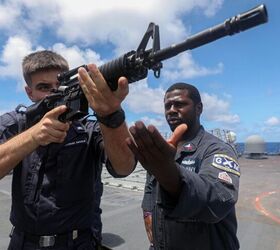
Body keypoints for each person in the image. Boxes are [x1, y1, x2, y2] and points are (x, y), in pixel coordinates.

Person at [0, 50, 136, 249]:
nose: (55, 92)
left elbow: (124, 167)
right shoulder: (17, 122)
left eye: (60, 85)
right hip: (22, 243)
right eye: (44, 87)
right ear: (30, 93)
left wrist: (111, 115)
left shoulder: (89, 128)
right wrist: (33, 136)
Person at [126, 82, 240, 250]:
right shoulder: (163, 151)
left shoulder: (218, 149)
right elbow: (150, 189)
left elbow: (218, 199)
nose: (171, 109)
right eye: (167, 106)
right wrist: (148, 214)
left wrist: (170, 173)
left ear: (199, 108)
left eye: (179, 104)